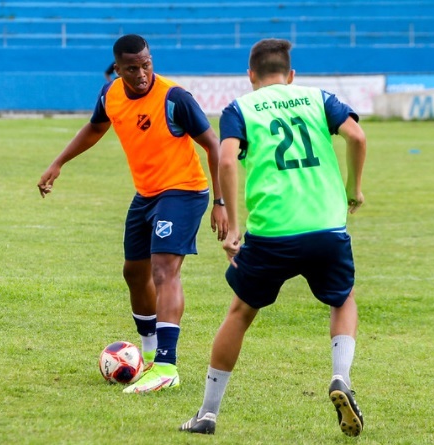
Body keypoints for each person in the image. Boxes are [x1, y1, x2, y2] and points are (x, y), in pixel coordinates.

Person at [179, 38, 366, 436]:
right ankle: (341, 378)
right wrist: (355, 189)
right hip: (326, 228)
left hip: (270, 233)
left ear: (251, 75)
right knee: (343, 300)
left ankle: (208, 414)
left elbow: (227, 158)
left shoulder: (239, 109)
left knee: (240, 314)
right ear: (291, 74)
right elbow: (358, 137)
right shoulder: (318, 98)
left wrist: (229, 219)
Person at [38, 34, 228, 394]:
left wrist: (220, 204)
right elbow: (95, 127)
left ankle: (168, 367)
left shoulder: (175, 98)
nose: (141, 74)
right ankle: (150, 356)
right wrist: (59, 162)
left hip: (184, 191)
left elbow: (213, 145)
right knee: (134, 272)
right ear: (118, 69)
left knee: (163, 270)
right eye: (132, 68)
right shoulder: (110, 94)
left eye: (146, 65)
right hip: (146, 195)